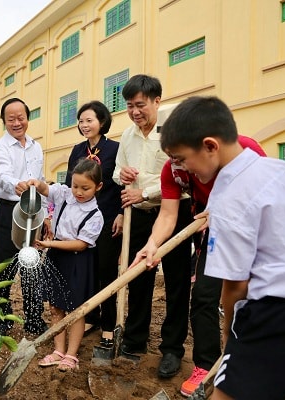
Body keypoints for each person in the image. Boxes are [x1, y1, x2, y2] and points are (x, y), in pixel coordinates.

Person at [159, 95, 285, 400]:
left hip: (275, 311)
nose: (181, 168)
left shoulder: (227, 196)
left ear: (210, 146)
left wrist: (231, 332)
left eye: (182, 158)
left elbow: (235, 284)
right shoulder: (284, 171)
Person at [132, 133, 265, 397]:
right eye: (171, 157)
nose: (177, 165)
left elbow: (265, 198)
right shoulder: (173, 169)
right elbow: (168, 214)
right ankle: (208, 365)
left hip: (258, 231)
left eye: (182, 157)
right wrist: (152, 243)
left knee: (256, 299)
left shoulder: (244, 152)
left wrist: (226, 212)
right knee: (204, 295)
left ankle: (252, 360)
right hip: (215, 230)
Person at [112, 75, 193, 378]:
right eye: (130, 106)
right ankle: (135, 340)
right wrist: (124, 174)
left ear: (157, 101)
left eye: (141, 105)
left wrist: (144, 191)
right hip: (141, 215)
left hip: (175, 212)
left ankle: (172, 349)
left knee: (177, 280)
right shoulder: (128, 135)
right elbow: (118, 172)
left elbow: (183, 172)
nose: (135, 112)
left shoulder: (174, 124)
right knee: (138, 277)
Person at [30, 158, 104, 371]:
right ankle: (58, 350)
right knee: (55, 307)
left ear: (98, 187)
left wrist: (49, 243)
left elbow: (81, 244)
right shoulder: (64, 194)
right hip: (56, 256)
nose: (78, 192)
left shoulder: (95, 215)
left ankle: (71, 355)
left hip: (78, 261)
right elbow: (46, 189)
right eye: (75, 186)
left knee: (75, 310)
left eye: (85, 188)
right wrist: (36, 183)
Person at [65, 100, 123, 347]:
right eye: (81, 121)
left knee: (106, 271)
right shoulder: (77, 150)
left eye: (89, 120)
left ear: (102, 122)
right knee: (85, 271)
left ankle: (109, 323)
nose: (84, 125)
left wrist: (121, 212)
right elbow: (71, 187)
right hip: (81, 221)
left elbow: (123, 184)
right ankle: (91, 316)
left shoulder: (115, 149)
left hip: (109, 218)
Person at [0, 97, 49, 336]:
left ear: (28, 118)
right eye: (11, 119)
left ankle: (34, 319)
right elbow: (3, 174)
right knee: (4, 267)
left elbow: (42, 180)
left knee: (31, 267)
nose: (17, 122)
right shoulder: (0, 147)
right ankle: (0, 320)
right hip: (8, 210)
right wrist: (17, 184)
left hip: (33, 212)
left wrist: (45, 214)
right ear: (4, 121)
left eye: (21, 117)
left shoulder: (36, 146)